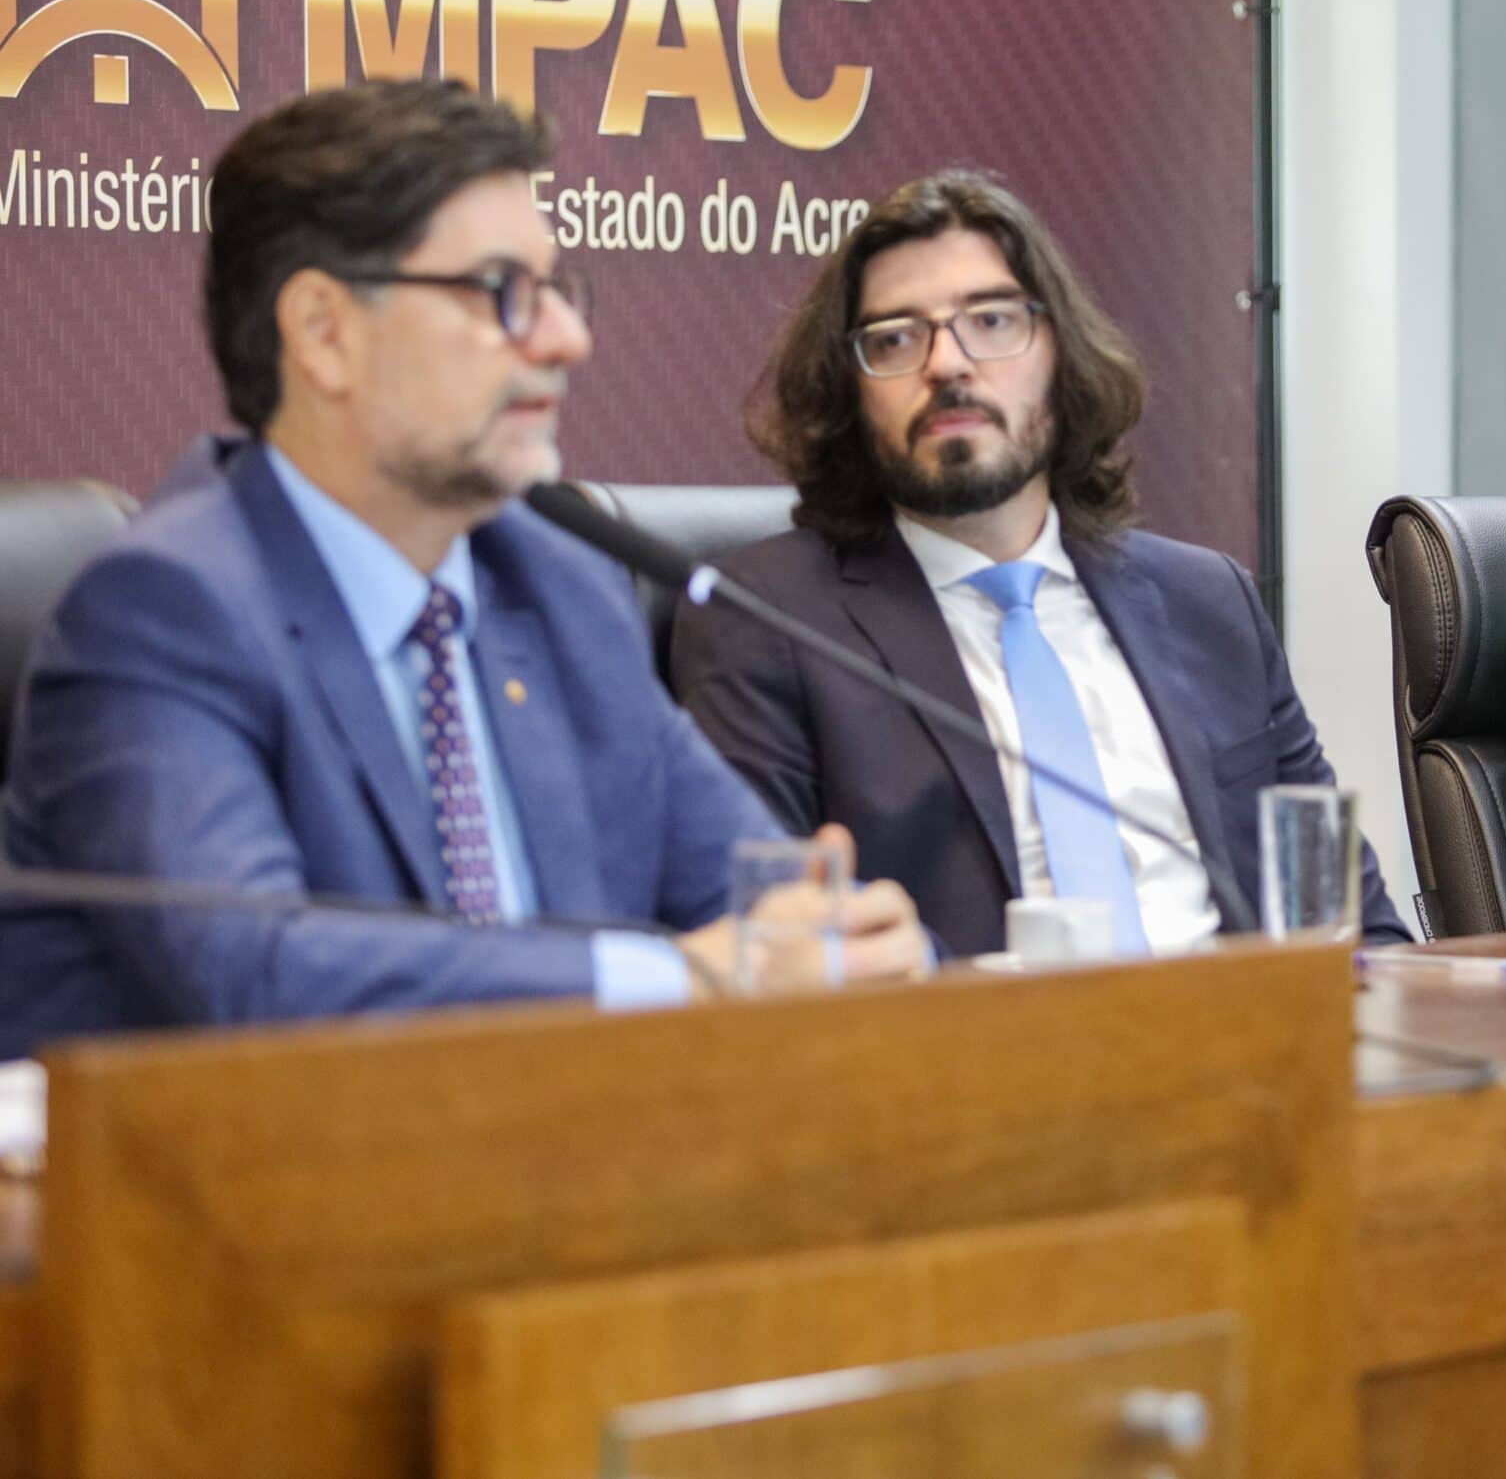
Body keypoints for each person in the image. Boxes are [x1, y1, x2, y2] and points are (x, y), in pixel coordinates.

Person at [0, 80, 923, 1052]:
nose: (569, 339)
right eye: (501, 293)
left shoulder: (561, 588)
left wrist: (851, 944)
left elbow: (757, 892)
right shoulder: (166, 609)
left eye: (559, 290)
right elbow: (262, 977)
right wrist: (684, 976)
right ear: (324, 331)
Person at [672, 170, 1404, 956]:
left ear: (1061, 353)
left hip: (1251, 1050)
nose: (948, 364)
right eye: (894, 338)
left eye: (991, 321)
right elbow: (768, 960)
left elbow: (1361, 930)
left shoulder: (1208, 602)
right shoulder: (768, 620)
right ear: (849, 392)